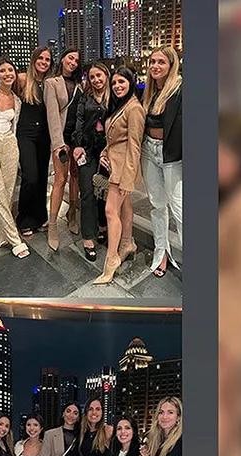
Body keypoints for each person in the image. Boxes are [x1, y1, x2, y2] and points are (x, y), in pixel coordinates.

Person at [94, 67, 145, 284]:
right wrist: (104, 151)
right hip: (114, 164)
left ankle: (112, 259)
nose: (117, 86)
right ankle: (127, 244)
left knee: (110, 210)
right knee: (125, 207)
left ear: (131, 82)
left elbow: (135, 146)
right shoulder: (121, 105)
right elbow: (114, 138)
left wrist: (128, 178)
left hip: (124, 168)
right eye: (114, 82)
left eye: (122, 82)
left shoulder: (134, 109)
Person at [141, 47, 183, 277]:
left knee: (180, 209)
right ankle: (162, 253)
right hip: (149, 151)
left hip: (172, 155)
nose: (155, 66)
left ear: (171, 65)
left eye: (161, 62)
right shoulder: (148, 92)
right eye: (152, 62)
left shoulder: (180, 88)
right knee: (157, 206)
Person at [0, 58, 29, 258]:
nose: (7, 74)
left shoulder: (17, 101)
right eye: (3, 70)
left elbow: (14, 127)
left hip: (9, 147)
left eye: (11, 70)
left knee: (7, 194)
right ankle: (15, 239)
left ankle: (0, 235)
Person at [44, 47, 83, 251]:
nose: (73, 62)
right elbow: (52, 116)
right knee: (60, 180)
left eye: (76, 60)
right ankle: (52, 225)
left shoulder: (80, 85)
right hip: (61, 139)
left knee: (76, 177)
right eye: (70, 58)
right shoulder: (51, 83)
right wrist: (58, 144)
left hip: (78, 139)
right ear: (63, 59)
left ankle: (73, 214)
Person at [71, 63, 111, 261]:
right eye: (92, 77)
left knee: (103, 191)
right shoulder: (84, 97)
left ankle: (103, 226)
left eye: (99, 75)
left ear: (106, 75)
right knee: (87, 191)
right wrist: (77, 145)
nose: (96, 80)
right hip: (87, 148)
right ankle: (88, 236)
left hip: (108, 150)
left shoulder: (115, 96)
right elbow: (78, 121)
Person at [15, 47, 53, 237]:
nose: (44, 62)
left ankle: (39, 217)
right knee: (30, 176)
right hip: (25, 134)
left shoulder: (49, 83)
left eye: (47, 59)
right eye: (41, 58)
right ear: (34, 59)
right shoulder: (23, 79)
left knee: (42, 178)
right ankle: (23, 218)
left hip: (44, 135)